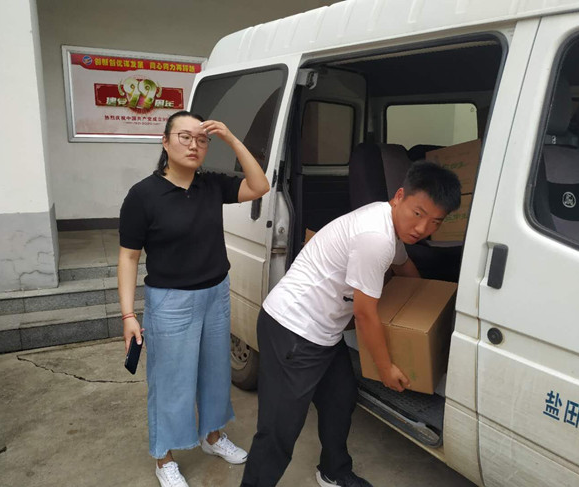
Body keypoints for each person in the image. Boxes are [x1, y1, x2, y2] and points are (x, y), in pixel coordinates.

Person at [240, 161, 462, 487]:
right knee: (279, 429)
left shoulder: (389, 222)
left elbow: (405, 269)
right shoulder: (376, 237)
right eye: (418, 214)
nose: (422, 228)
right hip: (292, 329)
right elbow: (364, 314)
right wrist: (385, 368)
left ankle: (334, 471)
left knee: (340, 399)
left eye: (435, 222)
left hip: (325, 332)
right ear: (400, 196)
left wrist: (425, 306)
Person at [118, 110, 270, 487]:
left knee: (216, 373)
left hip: (216, 294)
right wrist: (128, 315)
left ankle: (212, 437)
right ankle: (164, 457)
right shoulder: (143, 195)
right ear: (165, 142)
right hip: (170, 302)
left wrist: (231, 139)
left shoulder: (211, 185)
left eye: (201, 140)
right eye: (184, 137)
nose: (193, 145)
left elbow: (260, 185)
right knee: (171, 382)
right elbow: (129, 257)